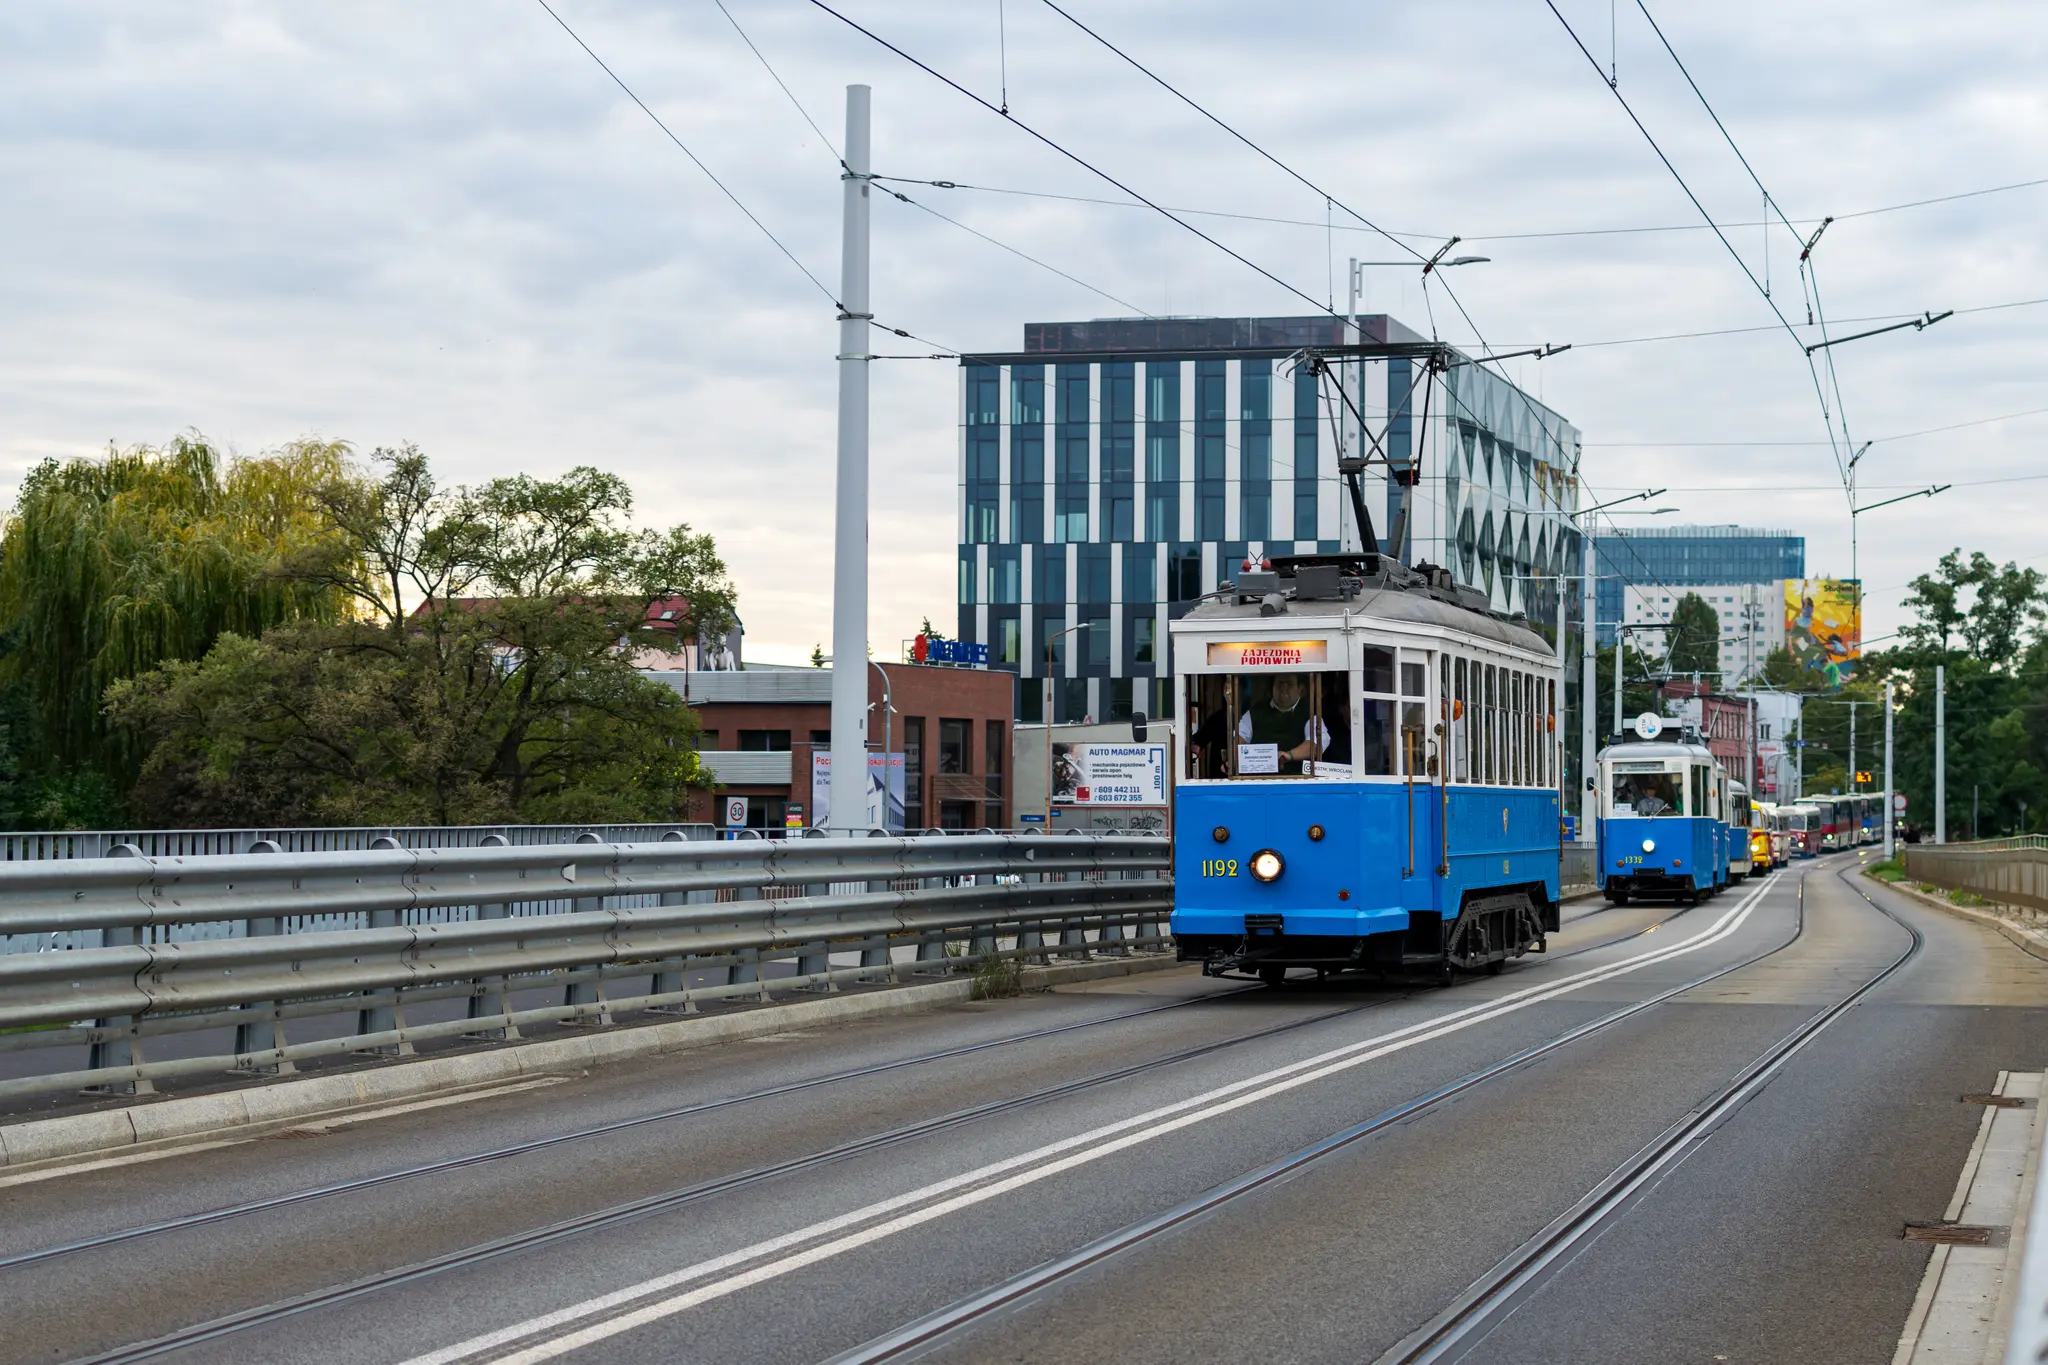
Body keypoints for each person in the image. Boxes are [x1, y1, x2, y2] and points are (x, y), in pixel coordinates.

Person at [1237, 674, 1330, 773]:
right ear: (1272, 688)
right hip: (1260, 780)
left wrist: (1289, 755)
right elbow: (1239, 738)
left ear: (1300, 689)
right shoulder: (1255, 711)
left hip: (1298, 780)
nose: (1284, 687)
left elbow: (1316, 743)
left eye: (1289, 684)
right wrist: (1235, 758)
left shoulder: (1310, 712)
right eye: (1279, 683)